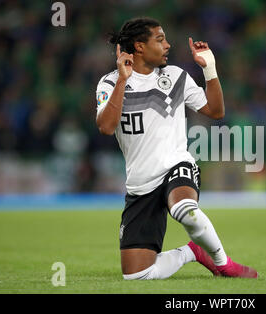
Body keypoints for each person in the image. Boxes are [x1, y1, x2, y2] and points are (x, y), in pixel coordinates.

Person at [95, 17, 257, 280]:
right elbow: (106, 127)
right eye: (160, 40)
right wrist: (124, 81)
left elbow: (215, 111)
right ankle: (192, 252)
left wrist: (210, 69)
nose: (168, 45)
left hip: (177, 166)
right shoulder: (111, 83)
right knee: (137, 275)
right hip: (140, 184)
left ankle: (223, 263)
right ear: (139, 46)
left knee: (185, 209)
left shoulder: (175, 77)